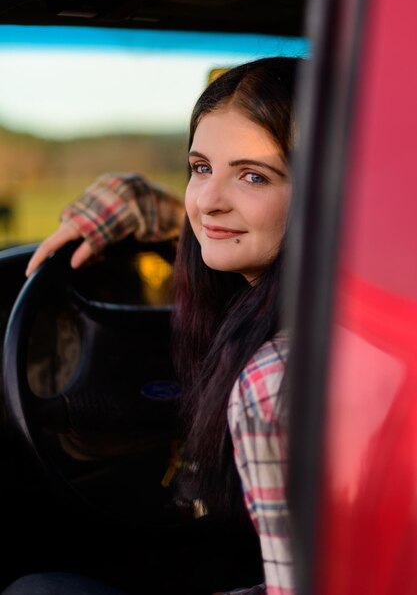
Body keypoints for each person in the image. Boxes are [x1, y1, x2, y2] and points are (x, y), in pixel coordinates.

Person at [4, 56, 298, 595]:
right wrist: (132, 198)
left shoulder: (272, 383)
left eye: (254, 175)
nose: (208, 203)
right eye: (201, 167)